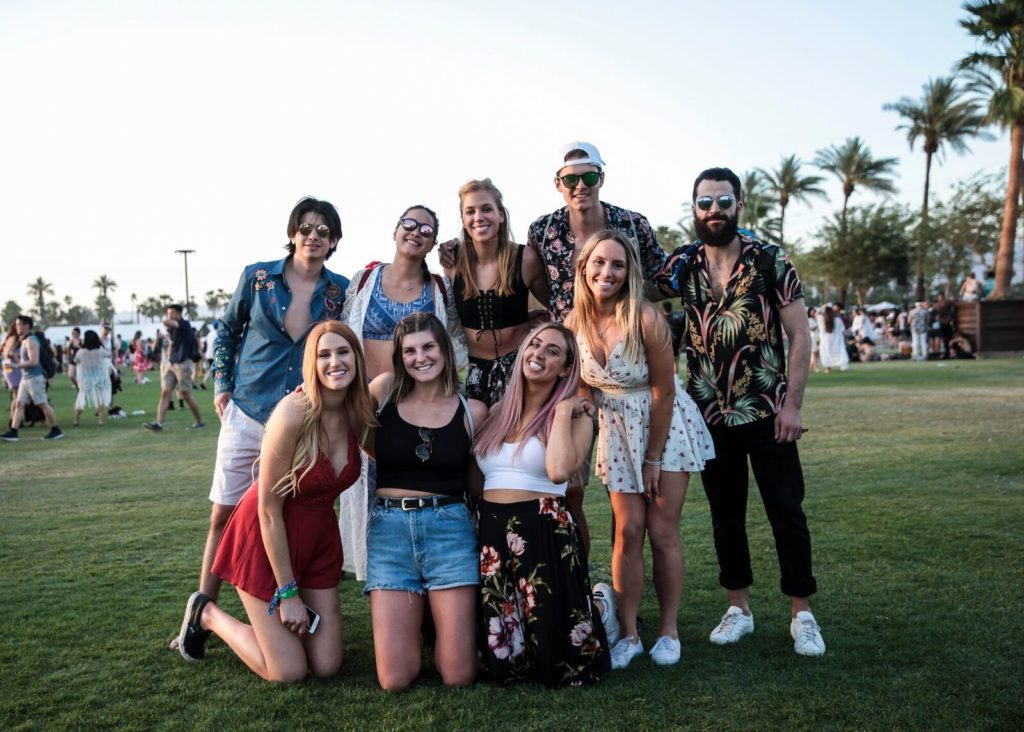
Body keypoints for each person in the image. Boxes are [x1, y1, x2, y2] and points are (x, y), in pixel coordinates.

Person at [655, 166, 825, 657]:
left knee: (786, 511)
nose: (714, 211)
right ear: (694, 209)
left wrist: (793, 406)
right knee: (725, 516)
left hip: (768, 411)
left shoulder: (770, 259)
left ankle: (802, 613)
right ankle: (739, 608)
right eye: (705, 202)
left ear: (739, 206)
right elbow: (627, 287)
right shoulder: (682, 265)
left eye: (724, 202)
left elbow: (800, 336)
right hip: (708, 415)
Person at [175, 321, 373, 682]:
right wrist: (288, 593)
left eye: (343, 352)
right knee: (288, 671)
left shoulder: (357, 413)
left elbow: (386, 383)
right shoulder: (292, 413)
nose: (334, 362)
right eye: (324, 355)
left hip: (319, 542)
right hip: (266, 538)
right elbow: (268, 509)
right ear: (311, 363)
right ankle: (207, 613)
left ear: (357, 358)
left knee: (327, 665)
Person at [183, 196, 350, 625]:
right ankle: (199, 614)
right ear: (292, 233)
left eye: (323, 231)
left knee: (289, 512)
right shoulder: (257, 278)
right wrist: (222, 384)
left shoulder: (340, 291)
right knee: (222, 513)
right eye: (305, 228)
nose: (313, 237)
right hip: (249, 410)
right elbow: (226, 330)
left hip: (300, 420)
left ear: (334, 241)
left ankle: (290, 605)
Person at [567, 230, 714, 669]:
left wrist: (652, 459)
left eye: (617, 264)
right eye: (599, 262)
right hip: (615, 430)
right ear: (584, 268)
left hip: (662, 425)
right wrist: (577, 438)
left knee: (661, 531)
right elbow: (582, 390)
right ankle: (629, 634)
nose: (607, 272)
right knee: (627, 531)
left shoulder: (646, 318)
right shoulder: (573, 321)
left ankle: (668, 631)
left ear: (629, 271)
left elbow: (664, 392)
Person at [475, 322, 612, 687]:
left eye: (552, 351)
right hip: (493, 530)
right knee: (507, 662)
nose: (538, 354)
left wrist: (563, 411)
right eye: (534, 345)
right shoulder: (497, 412)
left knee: (558, 659)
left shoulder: (577, 416)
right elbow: (478, 478)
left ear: (566, 369)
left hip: (544, 529)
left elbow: (558, 472)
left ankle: (603, 607)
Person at [338, 204, 467, 581]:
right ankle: (380, 580)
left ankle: (426, 576)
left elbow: (455, 342)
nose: (416, 232)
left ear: (433, 243)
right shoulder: (364, 279)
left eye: (427, 230)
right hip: (367, 406)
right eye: (409, 224)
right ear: (395, 231)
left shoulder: (439, 287)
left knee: (411, 491)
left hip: (415, 409)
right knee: (363, 496)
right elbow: (344, 333)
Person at [364, 313, 487, 691]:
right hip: (390, 532)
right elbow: (360, 438)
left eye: (429, 347)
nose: (420, 357)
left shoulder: (473, 411)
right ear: (400, 357)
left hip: (449, 530)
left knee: (458, 676)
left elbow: (476, 481)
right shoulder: (383, 392)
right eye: (410, 351)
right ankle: (412, 630)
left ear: (445, 350)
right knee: (395, 679)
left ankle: (438, 631)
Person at [445, 178, 549, 406]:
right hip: (469, 370)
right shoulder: (453, 263)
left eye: (486, 209)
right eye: (470, 211)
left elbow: (557, 306)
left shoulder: (525, 258)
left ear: (500, 215)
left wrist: (539, 328)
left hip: (519, 367)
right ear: (463, 219)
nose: (478, 217)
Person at [1, 315, 63, 442]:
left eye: (19, 324)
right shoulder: (24, 341)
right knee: (19, 404)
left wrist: (15, 365)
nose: (16, 327)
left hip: (35, 378)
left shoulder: (31, 340)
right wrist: (15, 358)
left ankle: (55, 430)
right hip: (26, 378)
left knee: (42, 404)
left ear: (27, 326)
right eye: (16, 324)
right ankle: (13, 432)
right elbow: (26, 360)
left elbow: (33, 362)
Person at [143, 304, 204, 430]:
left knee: (185, 394)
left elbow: (167, 322)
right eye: (168, 314)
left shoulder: (184, 324)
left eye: (172, 313)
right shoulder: (173, 329)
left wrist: (166, 321)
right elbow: (173, 342)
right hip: (173, 363)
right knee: (165, 391)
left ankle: (200, 421)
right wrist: (169, 359)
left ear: (179, 314)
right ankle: (158, 423)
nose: (169, 316)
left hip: (184, 363)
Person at [73, 330, 115, 426]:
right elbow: (109, 355)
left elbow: (76, 360)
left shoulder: (81, 352)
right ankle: (100, 420)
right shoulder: (100, 351)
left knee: (81, 398)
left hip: (86, 378)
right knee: (100, 399)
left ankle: (76, 419)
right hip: (99, 377)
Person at [817, 305, 849, 373]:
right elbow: (843, 330)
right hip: (836, 340)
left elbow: (817, 313)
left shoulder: (821, 319)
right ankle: (843, 367)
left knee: (826, 354)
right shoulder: (837, 320)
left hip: (825, 340)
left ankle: (827, 368)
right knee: (840, 353)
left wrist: (823, 306)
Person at [807, 307, 821, 373]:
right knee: (814, 353)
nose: (813, 313)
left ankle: (810, 368)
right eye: (812, 312)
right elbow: (811, 329)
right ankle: (816, 367)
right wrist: (817, 324)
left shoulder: (815, 319)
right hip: (812, 337)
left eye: (814, 312)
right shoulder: (809, 320)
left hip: (817, 337)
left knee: (816, 353)